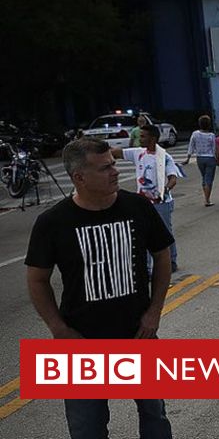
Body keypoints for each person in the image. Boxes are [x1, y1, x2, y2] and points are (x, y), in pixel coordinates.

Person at [25, 137, 174, 438]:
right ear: (79, 177)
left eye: (114, 164)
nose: (115, 171)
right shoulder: (53, 222)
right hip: (81, 342)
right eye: (105, 168)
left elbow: (162, 258)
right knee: (86, 428)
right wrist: (59, 329)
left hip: (138, 335)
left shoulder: (137, 207)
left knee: (154, 415)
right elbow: (37, 279)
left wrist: (155, 311)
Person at [113, 124, 181, 273]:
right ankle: (148, 269)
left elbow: (173, 178)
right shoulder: (138, 153)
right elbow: (116, 153)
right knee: (144, 234)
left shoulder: (164, 157)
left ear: (153, 138)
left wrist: (165, 189)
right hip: (143, 203)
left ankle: (171, 261)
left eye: (143, 136)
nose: (140, 139)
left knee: (165, 233)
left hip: (162, 203)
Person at [185, 114, 218, 206]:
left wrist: (188, 158)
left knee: (204, 177)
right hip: (210, 158)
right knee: (209, 179)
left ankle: (206, 197)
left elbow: (191, 146)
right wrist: (218, 159)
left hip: (200, 158)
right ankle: (207, 200)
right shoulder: (211, 135)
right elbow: (215, 148)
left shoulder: (195, 134)